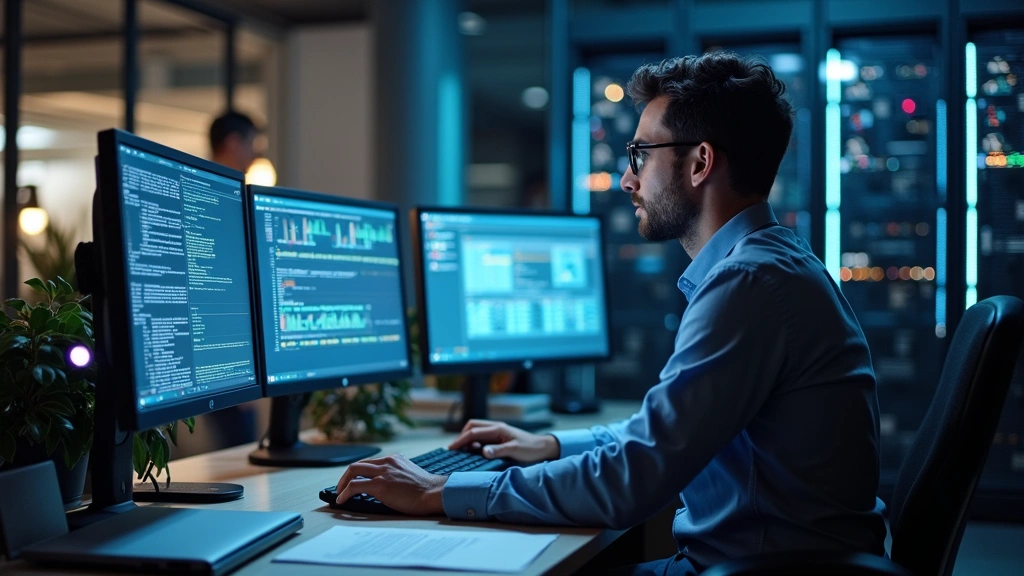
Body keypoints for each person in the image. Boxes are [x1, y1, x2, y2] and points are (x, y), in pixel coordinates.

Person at [334, 52, 886, 575]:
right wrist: (549, 445)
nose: (627, 179)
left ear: (700, 163)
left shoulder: (747, 283)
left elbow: (632, 481)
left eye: (641, 155)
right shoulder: (775, 263)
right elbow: (660, 436)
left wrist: (439, 491)